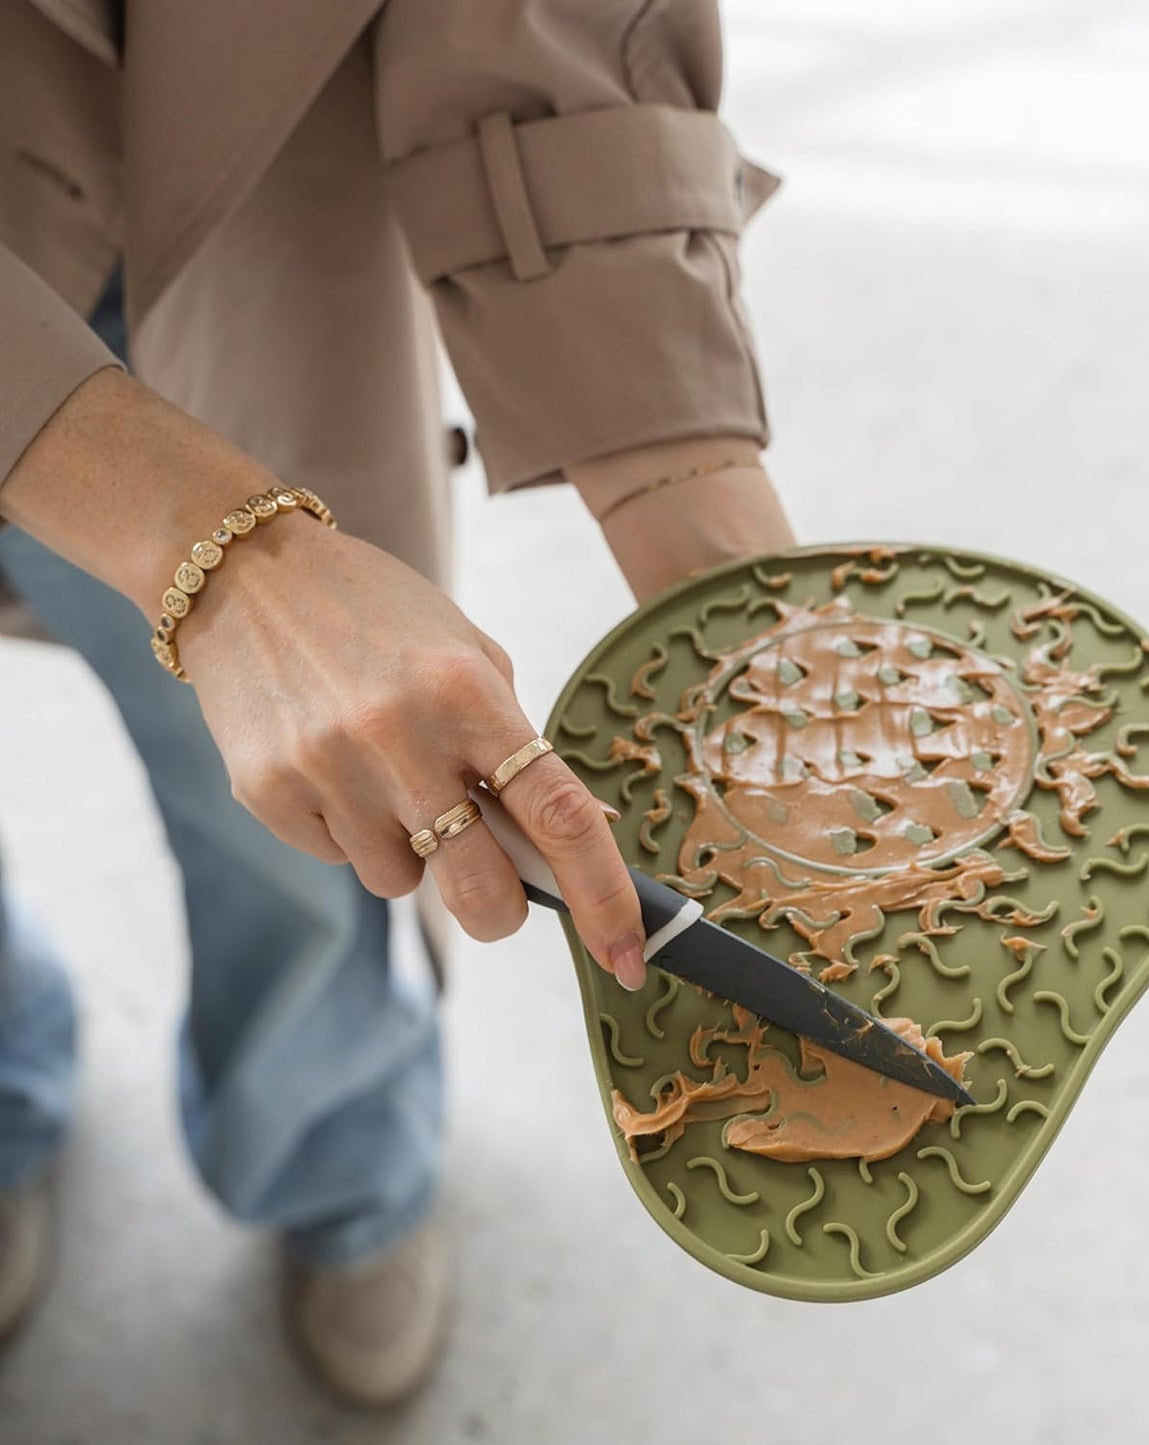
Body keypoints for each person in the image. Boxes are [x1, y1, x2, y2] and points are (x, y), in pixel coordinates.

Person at [0, 0, 794, 1406]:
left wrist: (699, 530)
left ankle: (337, 1159)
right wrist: (226, 558)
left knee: (310, 828)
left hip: (226, 225)